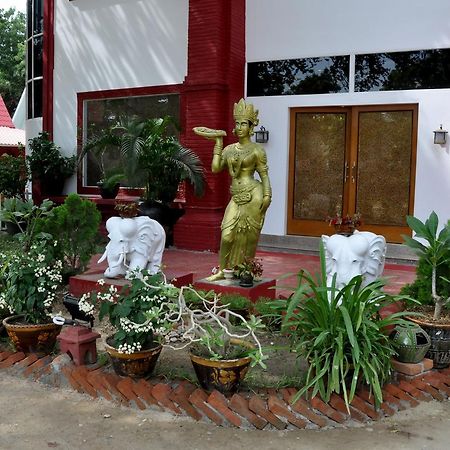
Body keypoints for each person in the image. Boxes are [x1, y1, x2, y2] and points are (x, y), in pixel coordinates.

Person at [194, 98, 272, 281]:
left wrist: (267, 195)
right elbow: (215, 168)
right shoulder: (229, 149)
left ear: (251, 126)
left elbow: (264, 176)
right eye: (237, 123)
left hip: (254, 194)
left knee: (250, 236)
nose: (239, 127)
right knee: (227, 235)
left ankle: (248, 270)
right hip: (236, 196)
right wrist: (218, 143)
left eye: (244, 123)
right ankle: (223, 269)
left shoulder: (257, 150)